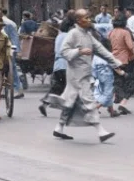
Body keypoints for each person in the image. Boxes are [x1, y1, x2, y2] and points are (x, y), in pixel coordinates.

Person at [49, 9, 125, 143]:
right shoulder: (73, 34)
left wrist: (115, 62)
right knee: (88, 101)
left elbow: (101, 50)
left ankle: (59, 128)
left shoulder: (88, 35)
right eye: (86, 18)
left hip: (84, 73)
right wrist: (79, 51)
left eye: (90, 18)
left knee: (70, 102)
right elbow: (64, 51)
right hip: (76, 75)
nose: (89, 20)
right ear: (78, 21)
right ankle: (101, 131)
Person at [39, 13, 75, 117]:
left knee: (56, 87)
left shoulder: (59, 37)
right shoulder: (70, 36)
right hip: (67, 65)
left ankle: (45, 104)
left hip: (58, 65)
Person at [109, 16, 134, 115]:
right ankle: (123, 103)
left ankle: (118, 100)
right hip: (126, 61)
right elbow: (132, 47)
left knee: (118, 82)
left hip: (114, 60)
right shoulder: (125, 32)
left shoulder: (111, 32)